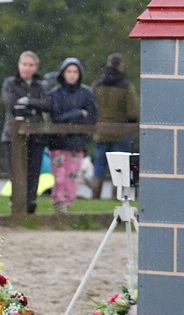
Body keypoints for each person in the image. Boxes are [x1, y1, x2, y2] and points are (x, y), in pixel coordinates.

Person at [1, 51, 51, 213]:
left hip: (36, 135)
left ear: (36, 67)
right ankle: (16, 204)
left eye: (30, 65)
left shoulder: (41, 85)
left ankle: (30, 204)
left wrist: (28, 102)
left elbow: (47, 104)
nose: (27, 68)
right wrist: (33, 108)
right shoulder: (10, 83)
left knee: (33, 172)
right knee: (16, 171)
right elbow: (12, 106)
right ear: (19, 65)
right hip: (13, 135)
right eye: (24, 64)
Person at [48, 57, 98, 214]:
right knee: (60, 177)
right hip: (58, 142)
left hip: (78, 142)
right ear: (63, 73)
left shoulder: (86, 93)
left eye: (75, 72)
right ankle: (58, 203)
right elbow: (56, 118)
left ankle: (68, 206)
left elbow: (92, 117)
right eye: (68, 71)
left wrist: (75, 119)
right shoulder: (55, 94)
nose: (71, 75)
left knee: (73, 177)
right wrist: (77, 113)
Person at [90, 53, 139, 199]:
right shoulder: (126, 86)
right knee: (119, 169)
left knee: (99, 167)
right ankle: (115, 197)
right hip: (120, 132)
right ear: (121, 66)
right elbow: (133, 112)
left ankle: (95, 197)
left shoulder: (97, 85)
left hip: (101, 131)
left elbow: (91, 107)